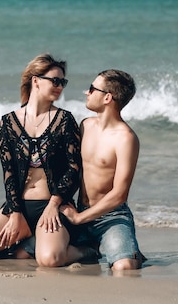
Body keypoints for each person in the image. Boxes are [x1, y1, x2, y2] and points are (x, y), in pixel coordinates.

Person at [0, 53, 88, 267]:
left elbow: (74, 169)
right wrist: (15, 213)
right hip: (20, 207)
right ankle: (28, 240)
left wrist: (54, 204)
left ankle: (86, 250)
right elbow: (8, 174)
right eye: (55, 80)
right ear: (36, 80)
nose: (60, 86)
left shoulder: (65, 120)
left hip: (53, 206)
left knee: (49, 260)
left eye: (62, 82)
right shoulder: (8, 123)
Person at [61, 69, 145, 271]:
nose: (86, 92)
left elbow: (119, 194)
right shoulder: (85, 125)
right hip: (78, 209)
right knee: (33, 252)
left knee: (125, 267)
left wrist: (80, 219)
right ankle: (93, 249)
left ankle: (123, 250)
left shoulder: (126, 138)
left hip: (111, 216)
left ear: (107, 97)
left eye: (92, 89)